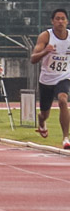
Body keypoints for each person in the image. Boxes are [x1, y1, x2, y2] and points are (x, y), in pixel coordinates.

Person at [29, 8, 70, 149]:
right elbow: (33, 59)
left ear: (67, 21)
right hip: (46, 79)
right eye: (57, 19)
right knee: (45, 113)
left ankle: (65, 137)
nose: (60, 21)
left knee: (63, 100)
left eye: (63, 19)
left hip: (64, 77)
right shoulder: (46, 36)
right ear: (52, 21)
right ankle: (41, 121)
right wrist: (45, 51)